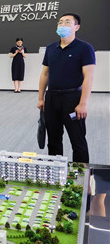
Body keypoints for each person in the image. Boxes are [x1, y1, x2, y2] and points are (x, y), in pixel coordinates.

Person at [37, 13, 95, 163]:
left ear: (77, 27)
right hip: (52, 99)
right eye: (60, 22)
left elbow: (89, 77)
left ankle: (81, 173)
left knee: (77, 140)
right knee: (53, 139)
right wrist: (41, 98)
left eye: (67, 22)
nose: (62, 25)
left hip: (73, 99)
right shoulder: (51, 48)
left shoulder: (85, 48)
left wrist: (83, 103)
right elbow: (45, 74)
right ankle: (55, 170)